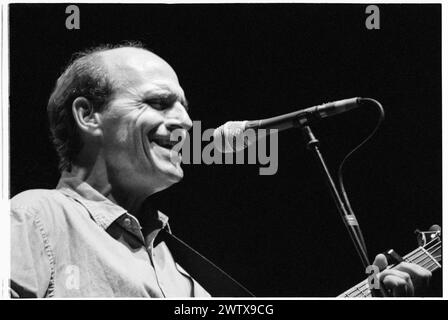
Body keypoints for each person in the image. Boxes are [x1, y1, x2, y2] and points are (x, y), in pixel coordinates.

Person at [10, 43, 432, 298]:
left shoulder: (182, 272)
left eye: (183, 107)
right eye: (158, 103)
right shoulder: (37, 218)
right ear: (88, 115)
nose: (182, 122)